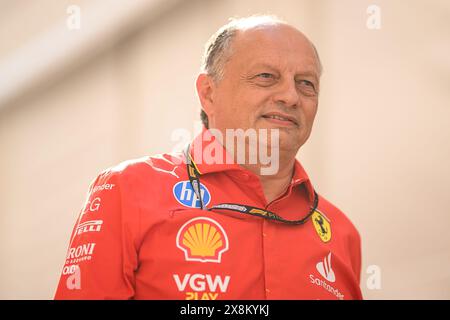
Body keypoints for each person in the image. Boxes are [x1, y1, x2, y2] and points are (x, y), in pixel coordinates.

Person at [55, 15, 362, 300]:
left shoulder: (341, 232)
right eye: (266, 76)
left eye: (306, 83)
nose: (290, 97)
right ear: (208, 93)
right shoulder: (126, 190)